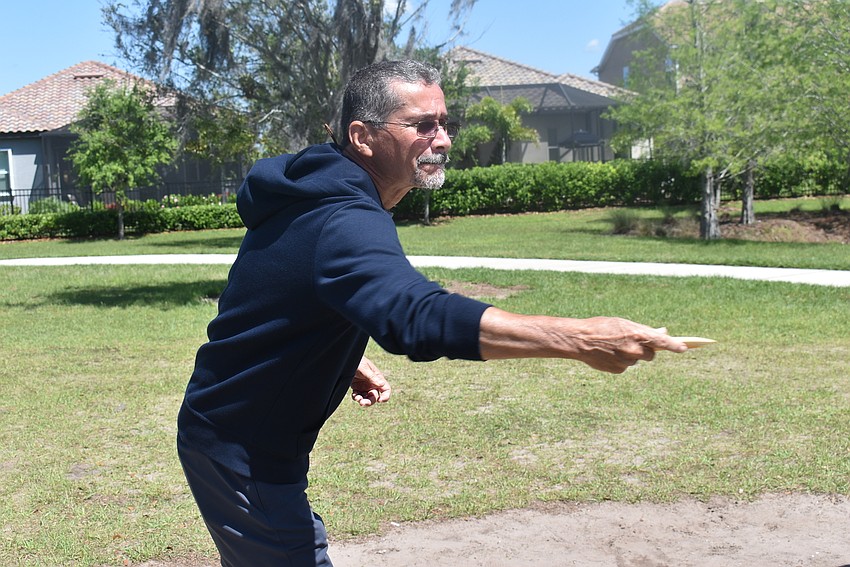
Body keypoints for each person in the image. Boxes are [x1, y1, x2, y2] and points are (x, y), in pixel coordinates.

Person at [177, 59, 687, 567]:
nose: (441, 140)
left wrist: (336, 352)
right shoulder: (344, 216)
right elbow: (415, 315)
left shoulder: (312, 192)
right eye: (422, 126)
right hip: (243, 451)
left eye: (444, 123)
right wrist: (582, 340)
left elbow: (270, 287)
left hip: (229, 434)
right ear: (363, 136)